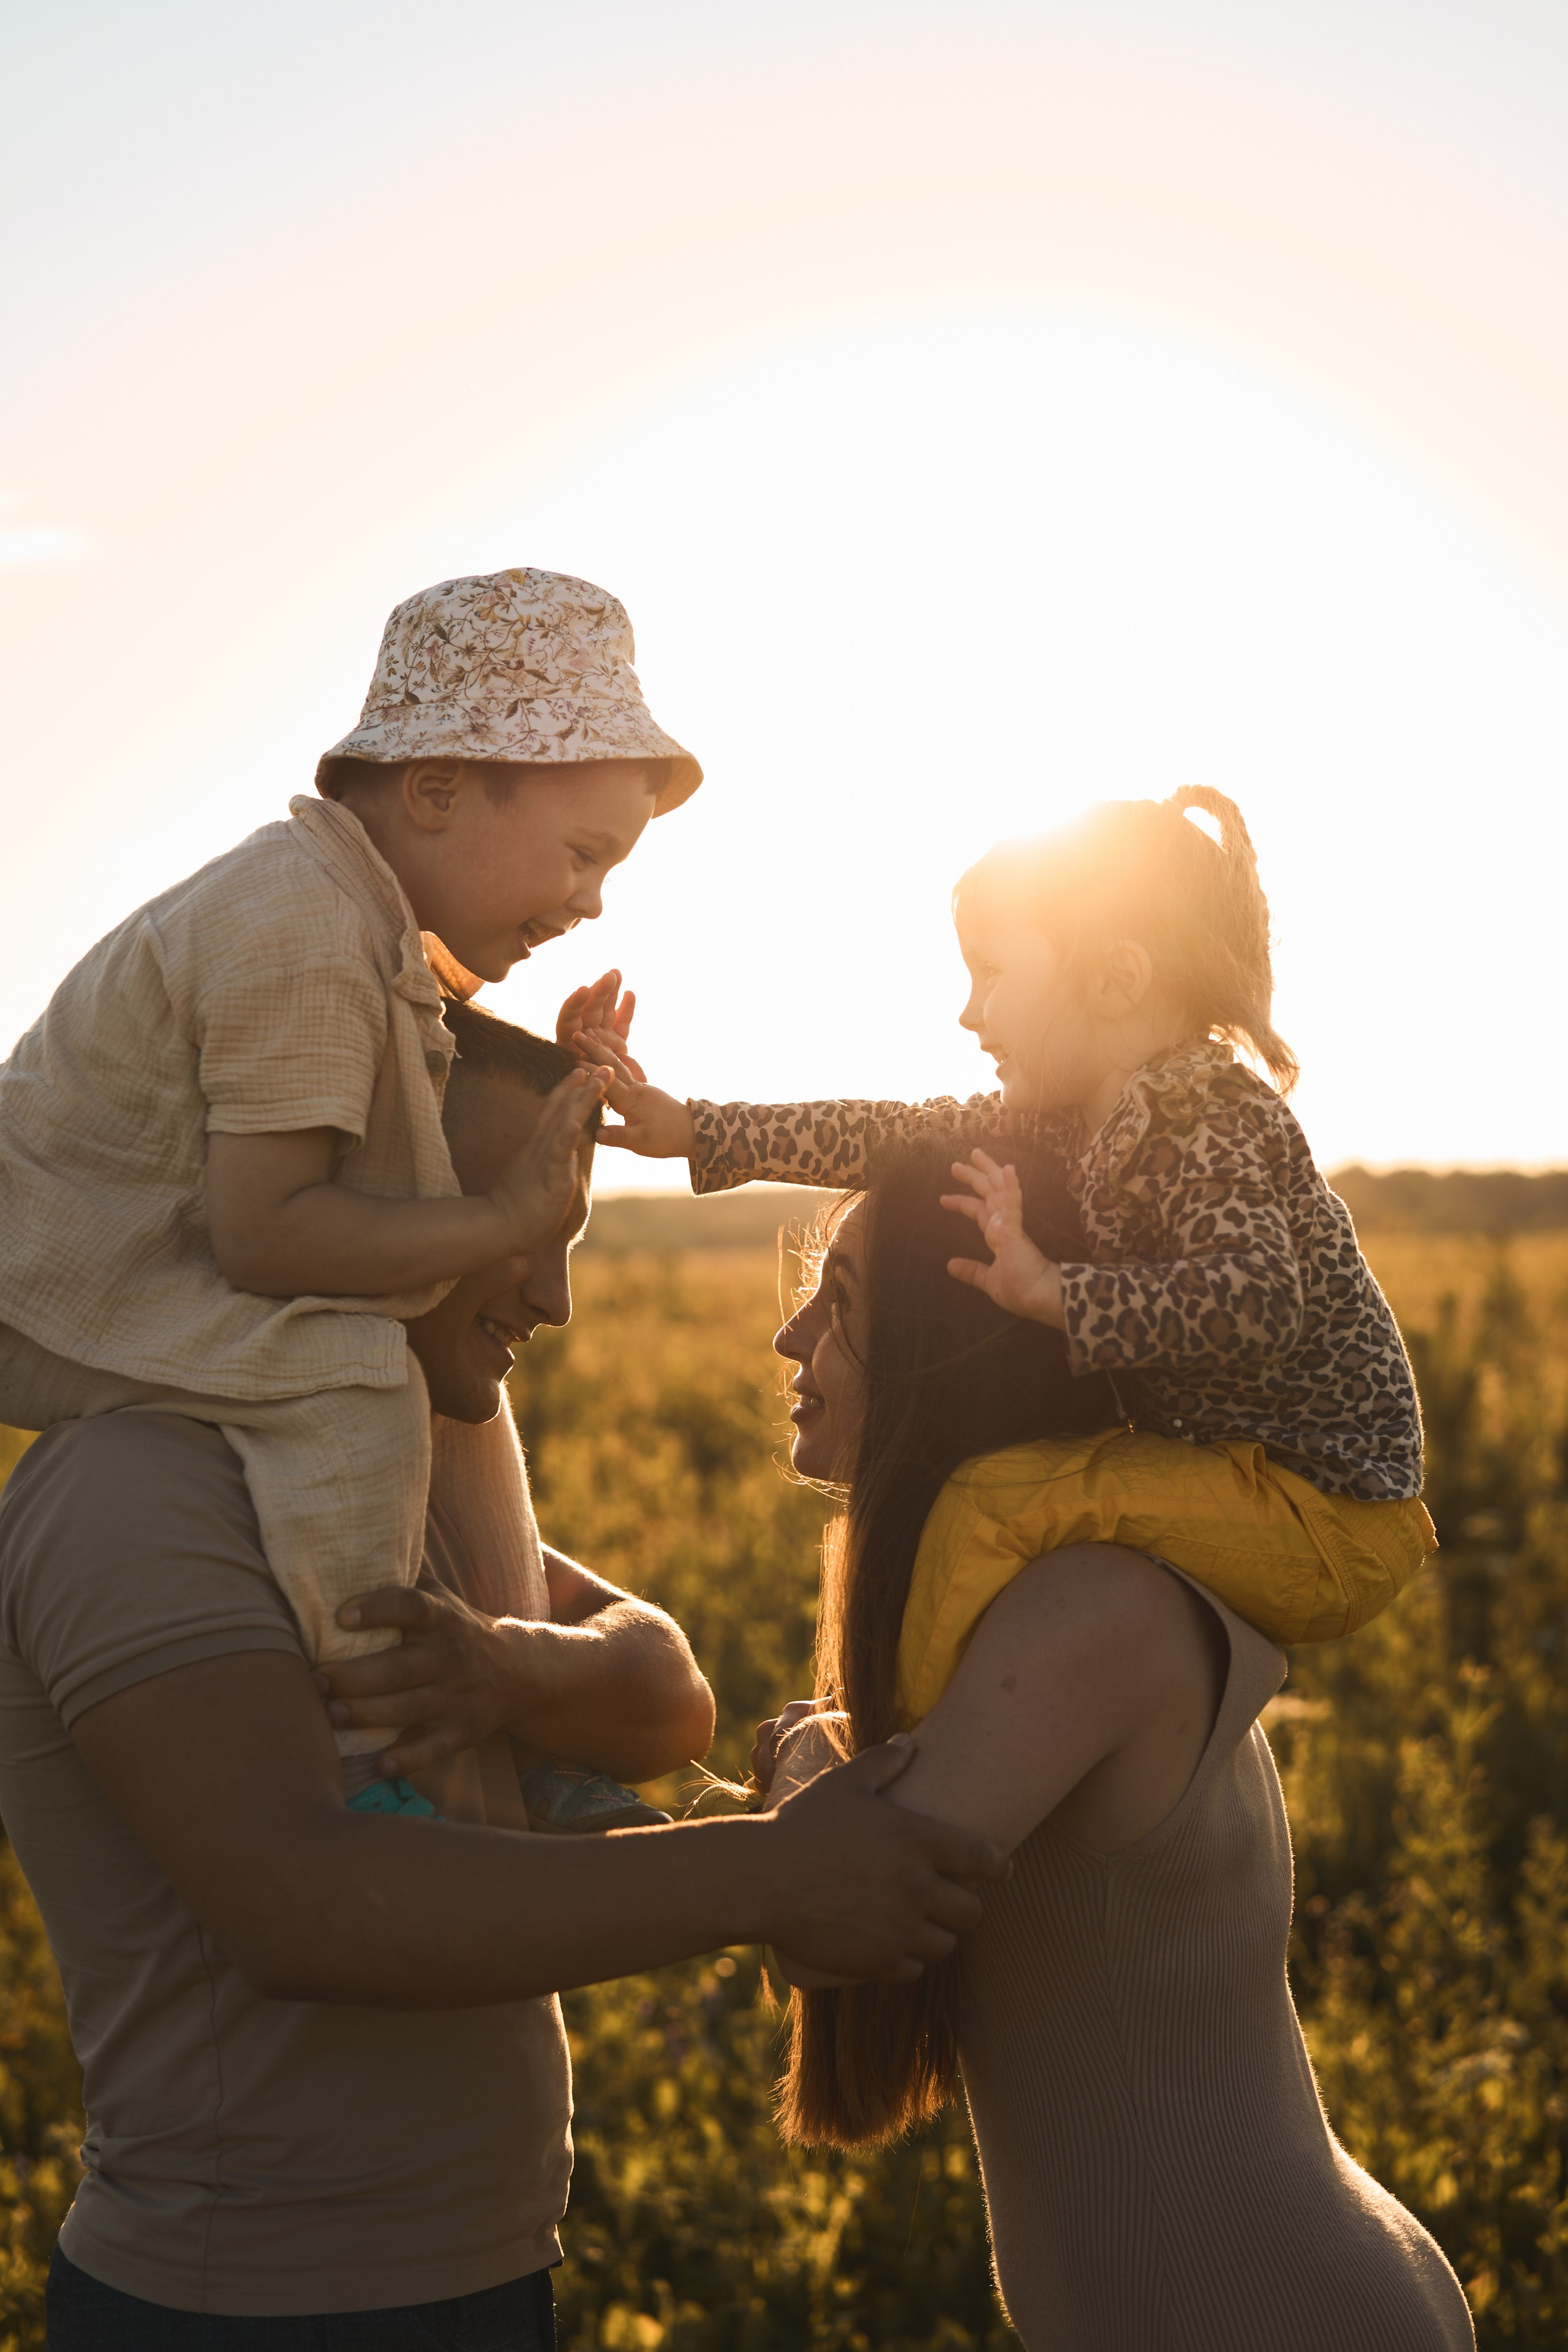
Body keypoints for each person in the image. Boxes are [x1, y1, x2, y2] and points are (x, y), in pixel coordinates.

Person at [0, 1004, 1008, 2349]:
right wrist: (769, 1874)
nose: (555, 1296)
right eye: (520, 1231)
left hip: (472, 2278)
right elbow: (297, 1907)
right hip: (251, 2306)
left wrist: (512, 1669)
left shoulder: (363, 1468)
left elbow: (666, 1695)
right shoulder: (141, 1485)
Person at [755, 1140, 1474, 2351]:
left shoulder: (1086, 1607)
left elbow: (827, 1911)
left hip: (1282, 2317)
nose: (788, 1341)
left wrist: (796, 1762)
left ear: (950, 1354)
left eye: (839, 1306)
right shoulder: (1022, 1615)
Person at [0, 567, 682, 1808]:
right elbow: (266, 1238)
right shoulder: (300, 929)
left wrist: (526, 1040)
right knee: (358, 1378)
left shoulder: (330, 912)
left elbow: (393, 1050)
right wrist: (502, 1218)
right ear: (432, 792)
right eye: (583, 856)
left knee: (389, 1380)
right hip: (58, 1281)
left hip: (84, 1262)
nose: (590, 902)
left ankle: (499, 1743)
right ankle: (383, 1739)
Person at [572, 786, 1436, 1694]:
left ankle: (902, 1749)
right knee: (1014, 1482)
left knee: (991, 1502)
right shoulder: (1076, 1120)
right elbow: (897, 1133)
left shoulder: (1207, 1111)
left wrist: (1055, 1293)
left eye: (992, 973)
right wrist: (699, 1130)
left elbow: (1257, 1302)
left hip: (1330, 1510)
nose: (969, 1013)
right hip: (1245, 1476)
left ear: (1115, 980)